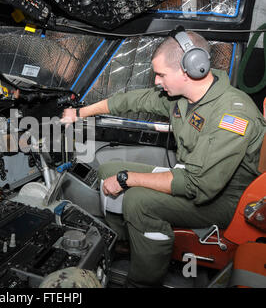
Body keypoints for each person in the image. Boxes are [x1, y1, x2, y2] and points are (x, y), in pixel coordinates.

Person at [61, 30, 266, 287]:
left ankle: (143, 280)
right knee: (108, 169)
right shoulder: (181, 99)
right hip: (192, 175)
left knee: (137, 200)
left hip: (228, 201)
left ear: (190, 69)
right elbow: (132, 100)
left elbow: (198, 185)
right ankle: (126, 240)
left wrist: (128, 179)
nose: (157, 81)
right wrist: (79, 113)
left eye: (161, 74)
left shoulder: (232, 116)